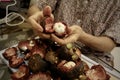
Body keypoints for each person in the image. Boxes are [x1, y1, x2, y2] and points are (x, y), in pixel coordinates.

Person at [27, 0, 120, 53]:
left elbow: (109, 44)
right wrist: (38, 17)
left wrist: (82, 36)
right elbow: (35, 8)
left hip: (93, 57)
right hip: (53, 46)